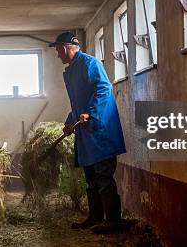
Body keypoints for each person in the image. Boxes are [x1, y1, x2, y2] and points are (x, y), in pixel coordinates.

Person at [49, 31, 126, 234]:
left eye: (58, 50)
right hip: (86, 133)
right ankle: (94, 217)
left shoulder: (90, 63)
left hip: (101, 130)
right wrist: (69, 122)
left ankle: (113, 221)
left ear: (65, 48)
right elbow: (77, 103)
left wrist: (90, 113)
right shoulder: (71, 71)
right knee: (91, 178)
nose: (58, 55)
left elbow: (104, 88)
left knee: (103, 177)